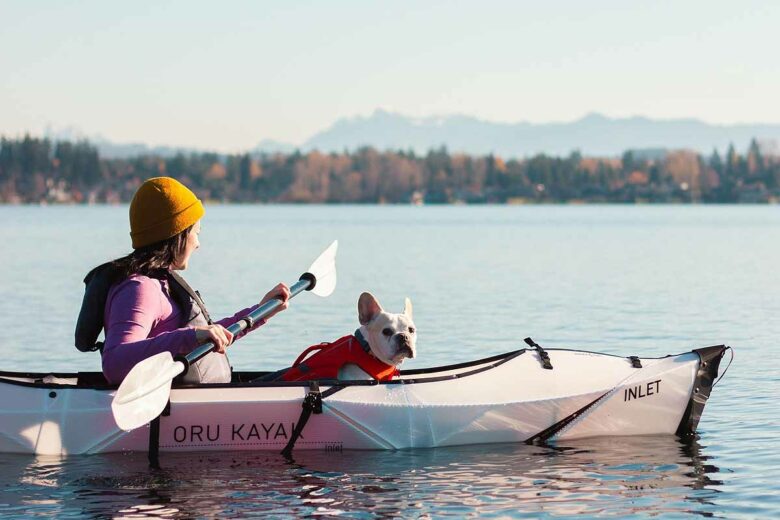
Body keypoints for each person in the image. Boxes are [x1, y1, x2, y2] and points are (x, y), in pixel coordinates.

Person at [75, 177, 289, 385]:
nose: (198, 244)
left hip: (208, 402)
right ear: (177, 235)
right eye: (196, 233)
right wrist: (190, 337)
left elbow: (212, 336)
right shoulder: (139, 288)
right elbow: (115, 364)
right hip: (178, 411)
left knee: (316, 366)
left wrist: (261, 311)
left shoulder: (160, 281)